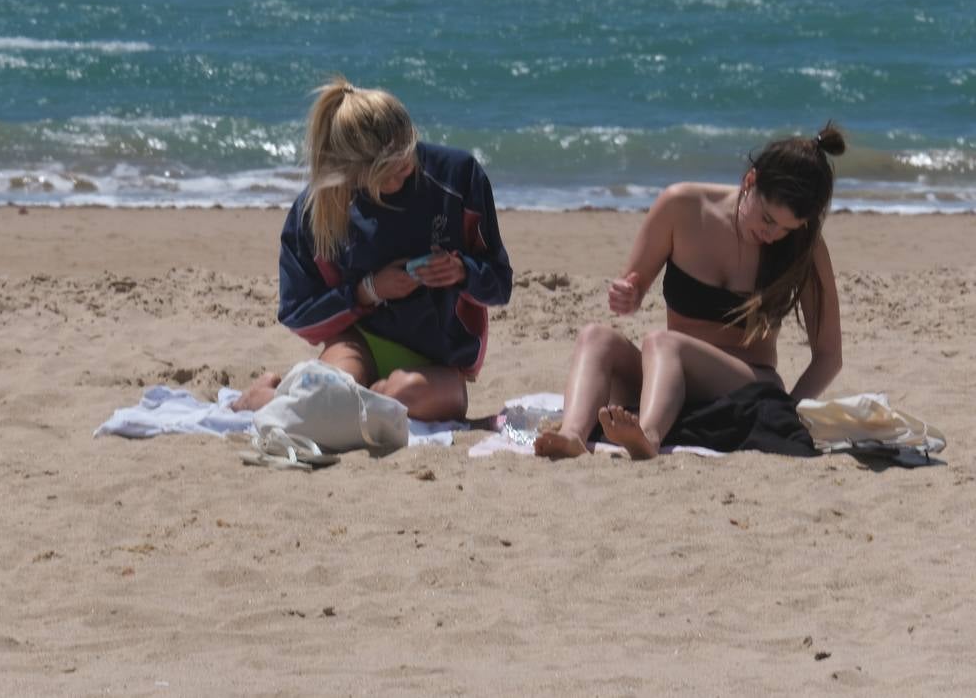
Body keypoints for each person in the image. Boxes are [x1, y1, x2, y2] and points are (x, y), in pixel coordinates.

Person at [534, 124, 846, 460]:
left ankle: (648, 438)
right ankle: (572, 436)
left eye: (787, 229)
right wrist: (628, 295)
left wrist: (790, 407)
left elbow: (829, 355)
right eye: (768, 219)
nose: (773, 235)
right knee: (596, 337)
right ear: (750, 181)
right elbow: (633, 289)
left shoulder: (804, 247)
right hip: (670, 379)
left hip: (748, 383)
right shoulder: (681, 206)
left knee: (663, 342)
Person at [232, 76, 512, 421]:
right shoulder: (318, 209)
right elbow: (297, 313)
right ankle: (258, 398)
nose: (402, 178)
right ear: (352, 172)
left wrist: (462, 272)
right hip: (360, 342)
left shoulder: (457, 177)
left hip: (440, 357)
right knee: (328, 398)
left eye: (407, 163)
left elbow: (501, 286)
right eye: (387, 174)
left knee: (397, 398)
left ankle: (313, 398)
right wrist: (367, 291)